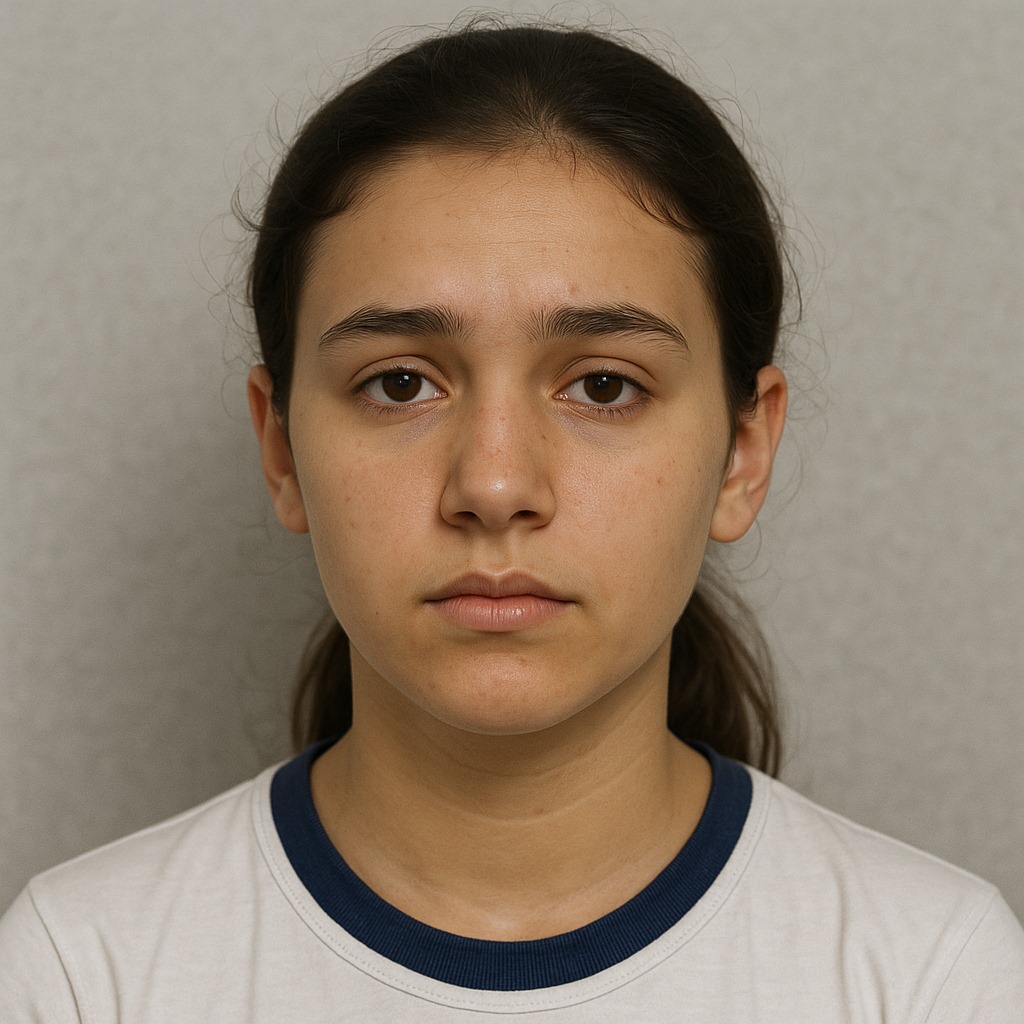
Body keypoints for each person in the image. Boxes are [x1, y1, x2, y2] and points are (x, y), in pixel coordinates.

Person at [1, 19, 1022, 1022]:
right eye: (400, 383)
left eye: (605, 386)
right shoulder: (83, 974)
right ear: (281, 448)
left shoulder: (932, 978)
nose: (494, 485)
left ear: (742, 453)